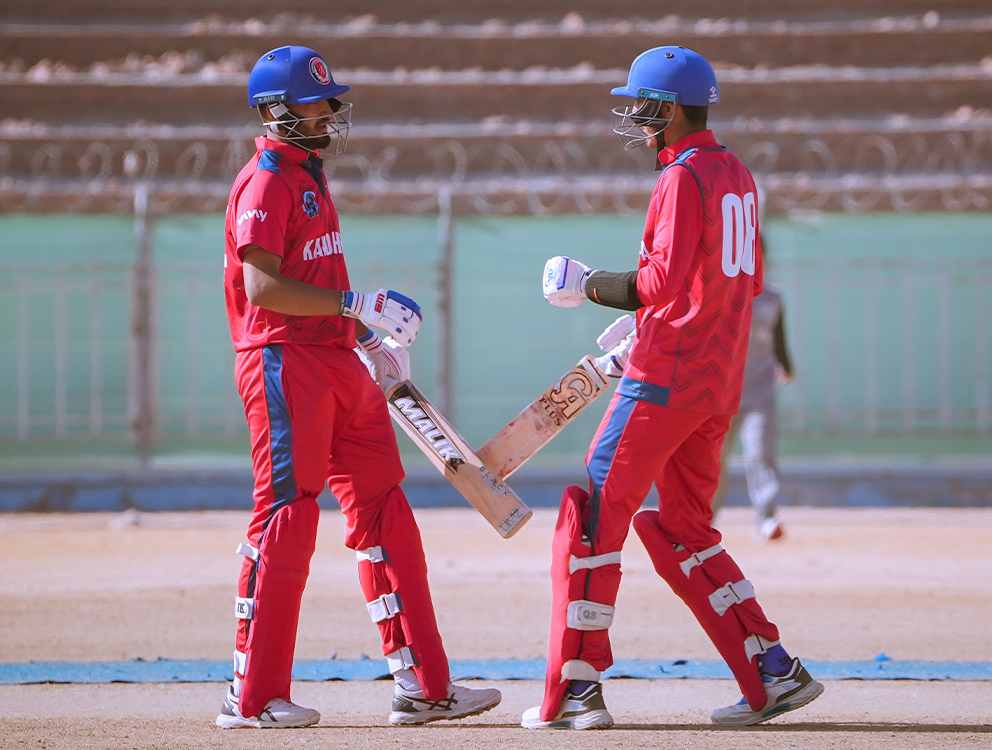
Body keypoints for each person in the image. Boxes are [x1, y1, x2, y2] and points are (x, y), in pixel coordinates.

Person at [524, 46, 823, 730]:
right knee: (686, 528)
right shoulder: (738, 174)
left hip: (665, 379)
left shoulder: (683, 177)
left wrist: (588, 285)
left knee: (594, 516)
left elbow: (659, 283)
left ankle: (576, 687)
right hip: (717, 383)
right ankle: (772, 668)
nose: (635, 118)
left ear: (666, 108)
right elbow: (721, 283)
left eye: (640, 106)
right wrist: (650, 325)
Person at [216, 45, 499, 729]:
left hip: (337, 362)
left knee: (386, 513)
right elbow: (264, 287)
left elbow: (318, 276)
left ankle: (426, 687)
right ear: (278, 111)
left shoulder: (306, 175)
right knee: (287, 516)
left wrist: (366, 340)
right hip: (283, 361)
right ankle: (252, 698)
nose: (331, 113)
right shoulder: (264, 181)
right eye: (317, 104)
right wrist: (355, 307)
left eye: (330, 101)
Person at [713, 283, 794, 543]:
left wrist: (786, 365)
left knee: (760, 453)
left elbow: (778, 337)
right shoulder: (716, 294)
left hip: (758, 391)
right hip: (719, 395)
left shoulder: (772, 299)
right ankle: (703, 521)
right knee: (712, 461)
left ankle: (766, 518)